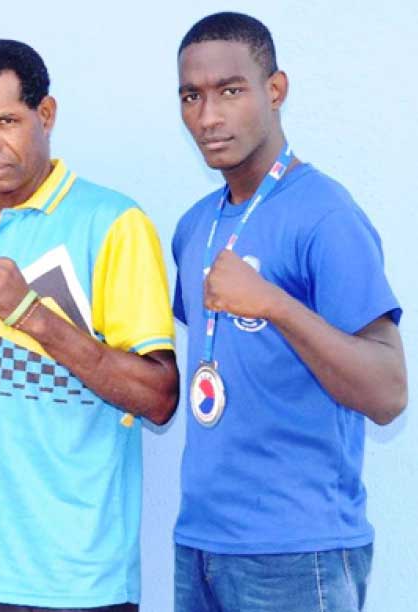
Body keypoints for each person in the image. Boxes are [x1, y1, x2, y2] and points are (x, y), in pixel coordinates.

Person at [0, 39, 179, 612]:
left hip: (71, 583)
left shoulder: (112, 223)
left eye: (4, 120)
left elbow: (159, 397)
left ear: (46, 114)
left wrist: (32, 314)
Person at [171, 12, 407, 612]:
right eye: (191, 96)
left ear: (274, 91)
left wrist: (274, 304)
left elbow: (388, 393)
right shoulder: (195, 225)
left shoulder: (325, 214)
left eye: (230, 91)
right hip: (200, 543)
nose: (208, 116)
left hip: (298, 552)